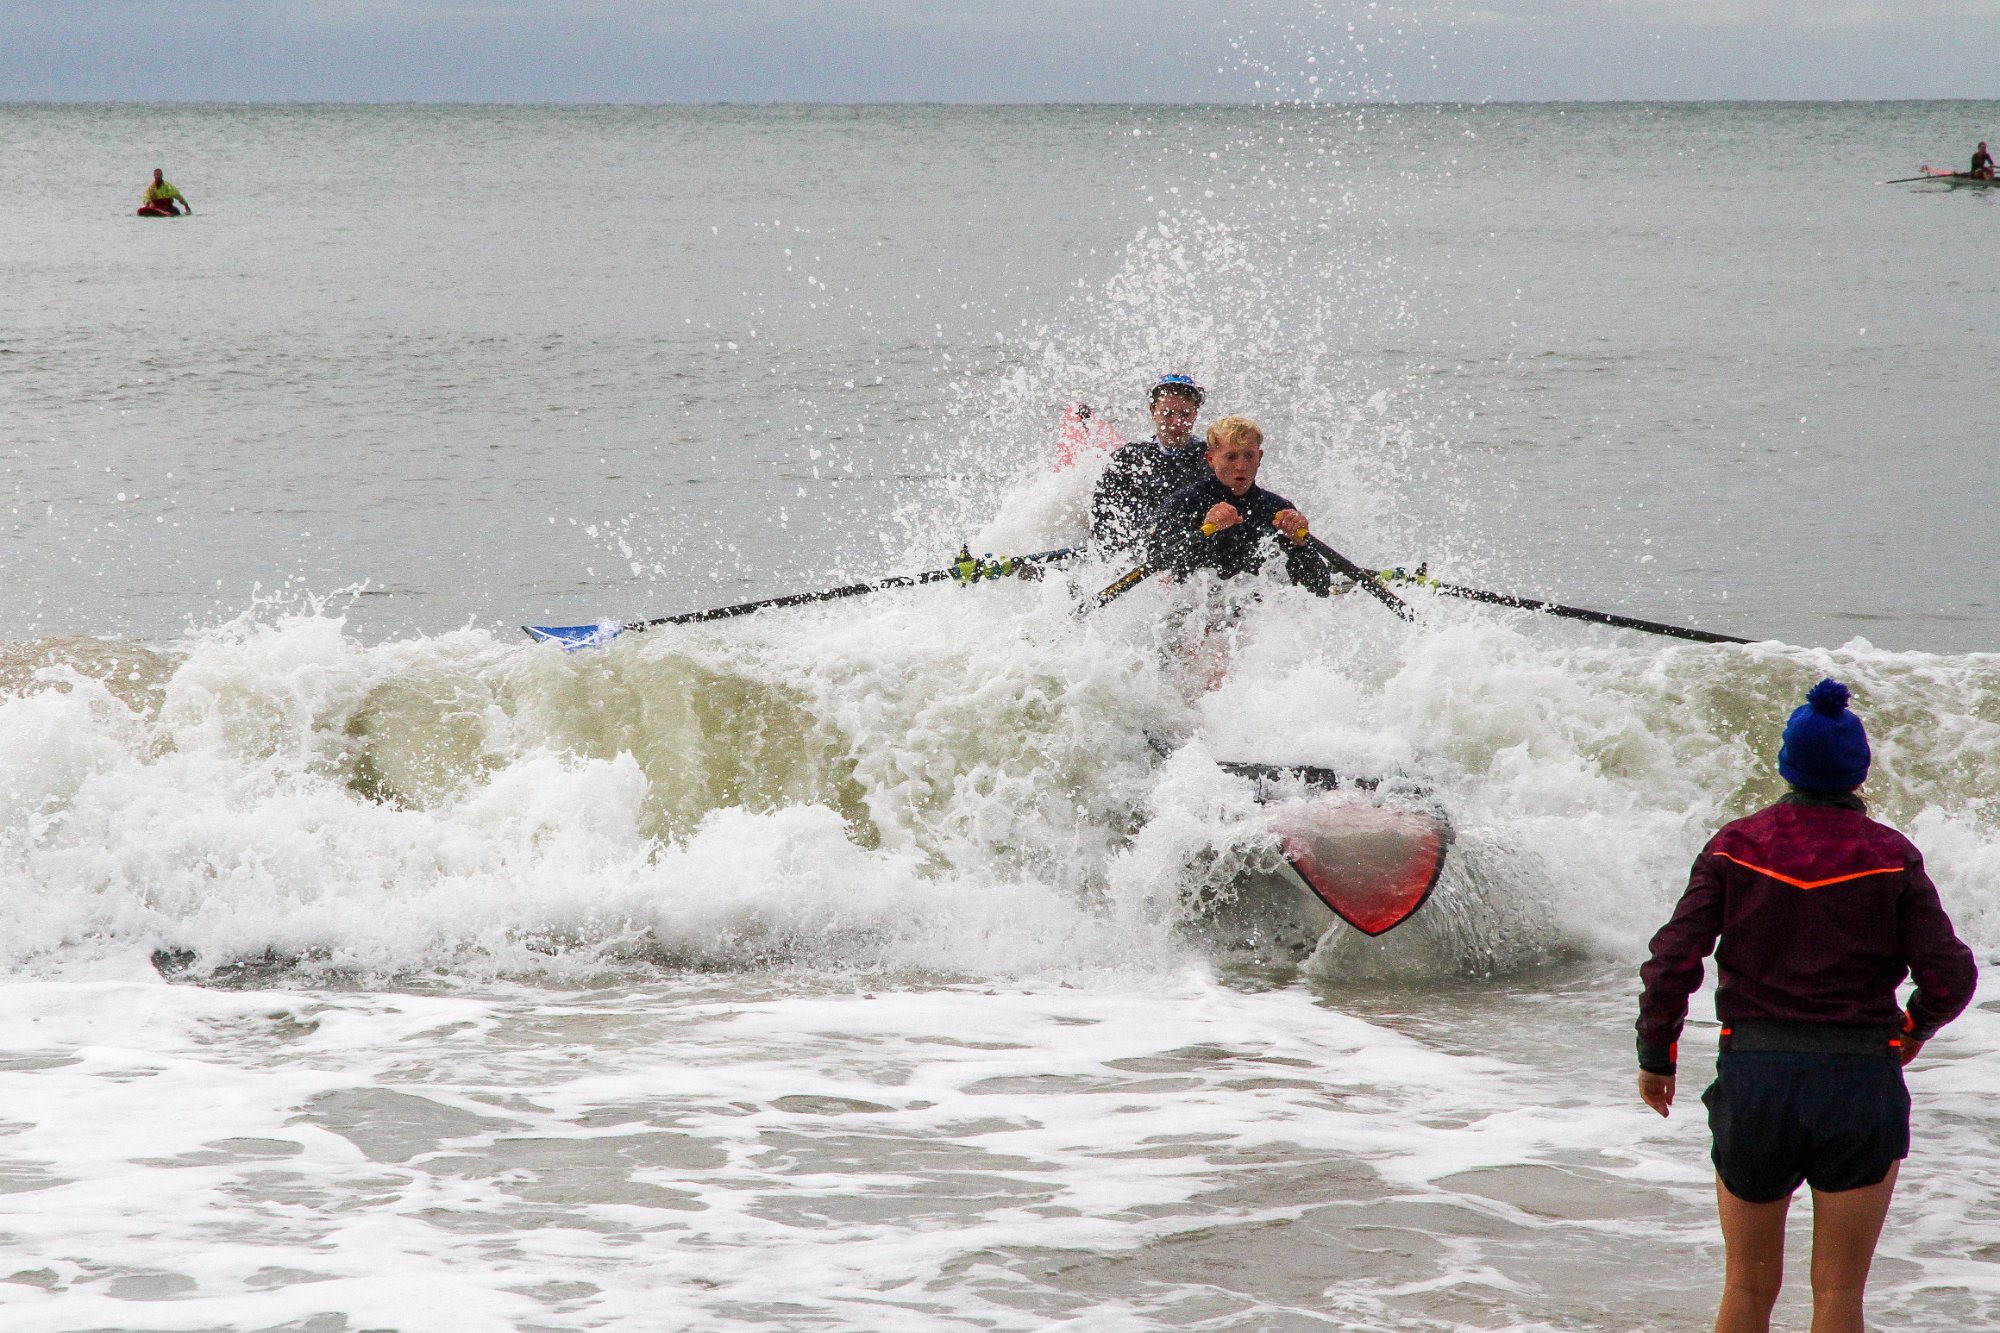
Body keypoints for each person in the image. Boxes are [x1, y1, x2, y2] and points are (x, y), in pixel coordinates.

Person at [1636, 679, 1976, 1333]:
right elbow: (1952, 973)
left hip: (1757, 1079)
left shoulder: (1736, 845)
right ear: (1860, 769)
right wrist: (1914, 1028)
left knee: (1745, 1289)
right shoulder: (1891, 856)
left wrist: (1657, 1055)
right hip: (1857, 1083)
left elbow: (1670, 960)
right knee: (1840, 1295)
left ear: (1787, 764)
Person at [1145, 415, 1330, 596]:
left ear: (1260, 457)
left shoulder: (1278, 509)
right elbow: (1159, 571)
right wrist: (1205, 531)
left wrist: (1300, 546)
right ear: (1210, 459)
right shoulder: (1184, 503)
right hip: (1194, 610)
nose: (1241, 466)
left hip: (1256, 611)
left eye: (1249, 456)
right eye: (1231, 457)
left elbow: (1319, 591)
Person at [1089, 373, 1212, 552]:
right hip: (1137, 552)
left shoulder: (1211, 459)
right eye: (1167, 413)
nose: (1177, 423)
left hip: (1192, 550)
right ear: (1153, 411)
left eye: (1185, 414)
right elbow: (1102, 518)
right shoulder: (1127, 459)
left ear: (1195, 413)